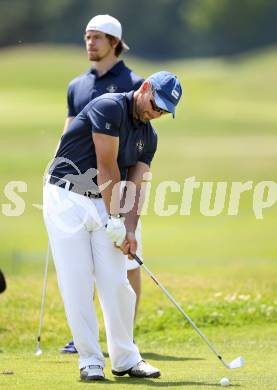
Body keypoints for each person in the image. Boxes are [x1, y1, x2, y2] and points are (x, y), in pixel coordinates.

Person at [43, 71, 182, 381]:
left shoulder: (150, 136)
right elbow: (107, 167)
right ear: (145, 88)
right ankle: (90, 360)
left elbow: (137, 186)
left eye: (163, 111)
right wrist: (114, 219)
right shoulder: (109, 107)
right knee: (77, 281)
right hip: (67, 198)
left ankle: (126, 359)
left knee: (117, 282)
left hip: (104, 199)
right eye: (155, 103)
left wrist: (129, 230)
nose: (155, 113)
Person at [61, 14, 144, 354]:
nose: (90, 43)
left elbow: (141, 139)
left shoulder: (133, 82)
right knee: (84, 265)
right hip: (79, 190)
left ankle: (125, 335)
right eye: (86, 36)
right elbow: (68, 131)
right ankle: (87, 337)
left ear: (114, 42)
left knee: (124, 260)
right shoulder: (77, 86)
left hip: (119, 188)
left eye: (97, 37)